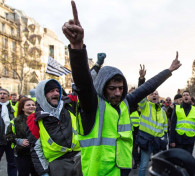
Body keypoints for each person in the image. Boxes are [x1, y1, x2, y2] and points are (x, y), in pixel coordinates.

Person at [62, 1, 181, 175]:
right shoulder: (92, 105)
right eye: (112, 88)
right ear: (102, 88)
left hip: (122, 170)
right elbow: (83, 82)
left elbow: (147, 87)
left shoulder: (125, 103)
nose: (118, 92)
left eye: (120, 88)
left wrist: (169, 71)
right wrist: (77, 47)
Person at [26, 79, 81, 176]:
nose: (56, 93)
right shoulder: (34, 120)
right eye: (51, 91)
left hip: (79, 158)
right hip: (58, 164)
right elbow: (36, 150)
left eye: (57, 90)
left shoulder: (69, 107)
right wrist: (43, 172)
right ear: (42, 95)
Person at [137, 90, 168, 176]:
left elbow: (165, 127)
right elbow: (141, 94)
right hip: (146, 141)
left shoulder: (162, 111)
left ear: (159, 97)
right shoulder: (145, 106)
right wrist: (142, 81)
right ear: (148, 97)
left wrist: (164, 138)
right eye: (152, 94)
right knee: (143, 166)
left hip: (158, 142)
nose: (154, 95)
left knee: (157, 166)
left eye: (156, 94)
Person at [6, 98, 38, 176]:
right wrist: (18, 141)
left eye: (33, 105)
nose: (31, 106)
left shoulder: (39, 119)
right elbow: (8, 135)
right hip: (22, 154)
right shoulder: (16, 120)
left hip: (37, 153)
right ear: (22, 108)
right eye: (28, 105)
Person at [0, 88, 17, 176]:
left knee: (12, 163)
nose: (2, 95)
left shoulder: (13, 108)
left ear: (8, 96)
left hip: (10, 139)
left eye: (4, 93)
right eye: (0, 93)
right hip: (0, 140)